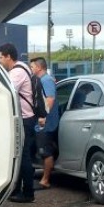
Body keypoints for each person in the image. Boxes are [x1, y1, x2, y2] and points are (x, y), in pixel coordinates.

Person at [0, 43, 35, 203]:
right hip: (26, 118)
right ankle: (17, 189)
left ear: (8, 57)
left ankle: (28, 193)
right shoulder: (22, 68)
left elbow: (5, 90)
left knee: (24, 156)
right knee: (19, 155)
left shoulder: (17, 72)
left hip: (25, 119)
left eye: (0, 57)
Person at [29, 56, 59, 189]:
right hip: (41, 123)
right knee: (40, 150)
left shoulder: (46, 80)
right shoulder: (41, 80)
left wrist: (43, 117)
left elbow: (50, 99)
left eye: (32, 67)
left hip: (46, 125)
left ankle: (45, 180)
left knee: (46, 151)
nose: (31, 69)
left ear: (39, 67)